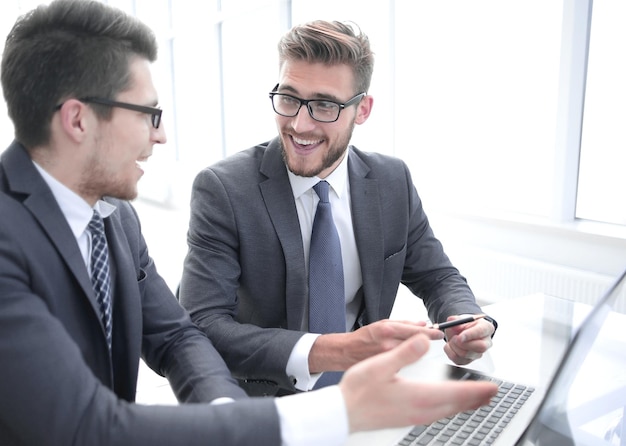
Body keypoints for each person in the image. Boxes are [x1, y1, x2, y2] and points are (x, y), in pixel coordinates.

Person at [0, 1, 498, 445]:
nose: (162, 135)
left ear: (360, 110)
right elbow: (91, 424)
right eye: (148, 114)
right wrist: (327, 410)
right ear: (78, 120)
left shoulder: (113, 216)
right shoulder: (10, 238)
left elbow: (176, 336)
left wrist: (227, 418)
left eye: (324, 106)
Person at [179, 19, 498, 397]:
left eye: (324, 105)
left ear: (362, 110)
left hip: (364, 393)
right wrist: (334, 352)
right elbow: (202, 324)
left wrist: (464, 320)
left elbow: (437, 276)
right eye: (288, 98)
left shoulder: (391, 181)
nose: (299, 123)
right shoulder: (225, 189)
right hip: (264, 403)